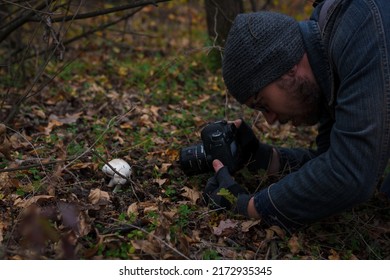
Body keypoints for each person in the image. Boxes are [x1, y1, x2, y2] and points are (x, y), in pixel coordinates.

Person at [203, 0, 390, 231]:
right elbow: (332, 158)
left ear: (288, 67)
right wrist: (267, 159)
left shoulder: (362, 28)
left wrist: (248, 207)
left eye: (263, 104)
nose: (270, 119)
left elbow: (350, 173)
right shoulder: (330, 57)